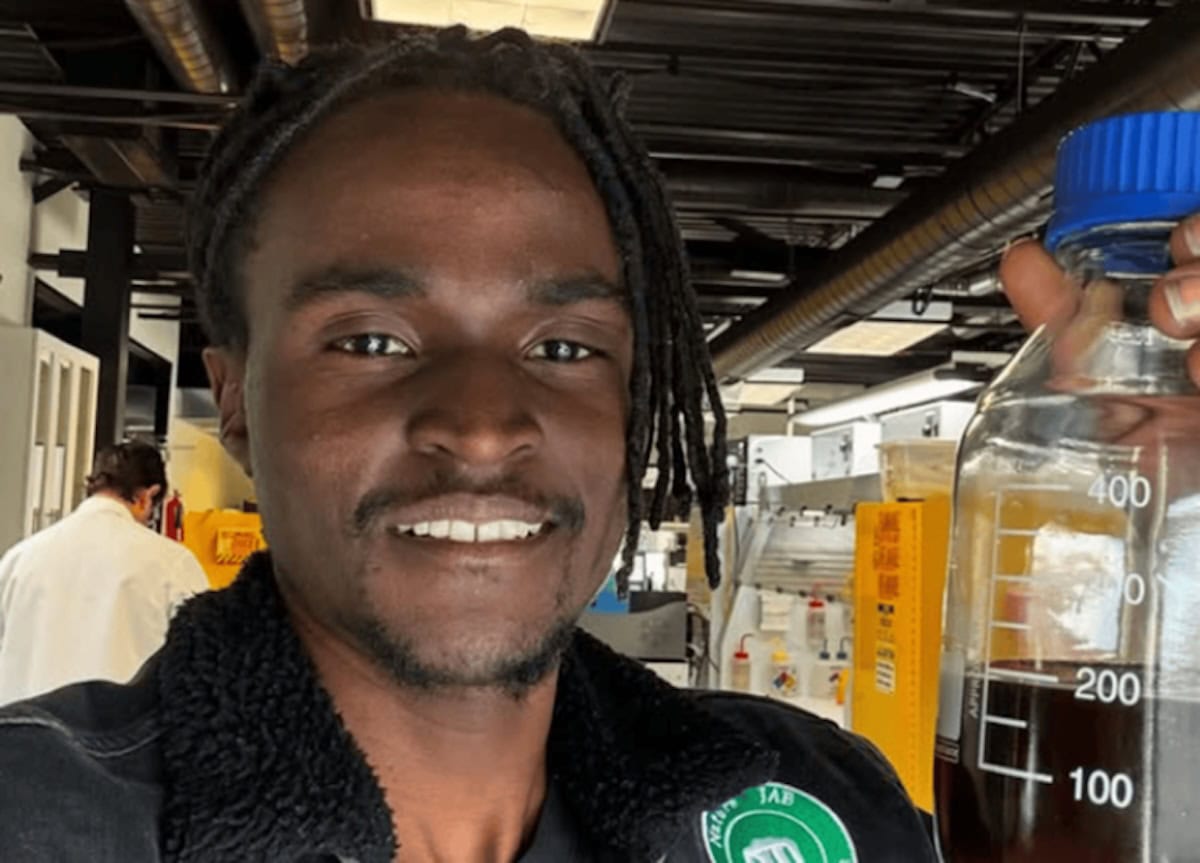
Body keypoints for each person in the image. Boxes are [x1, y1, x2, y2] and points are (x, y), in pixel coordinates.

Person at [0, 26, 1196, 862]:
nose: (483, 422)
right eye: (370, 339)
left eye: (564, 345)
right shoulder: (42, 817)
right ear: (236, 398)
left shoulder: (818, 809)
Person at [0, 440, 209, 705]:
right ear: (148, 496)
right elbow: (203, 657)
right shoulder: (172, 562)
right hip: (121, 726)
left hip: (22, 724)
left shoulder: (19, 558)